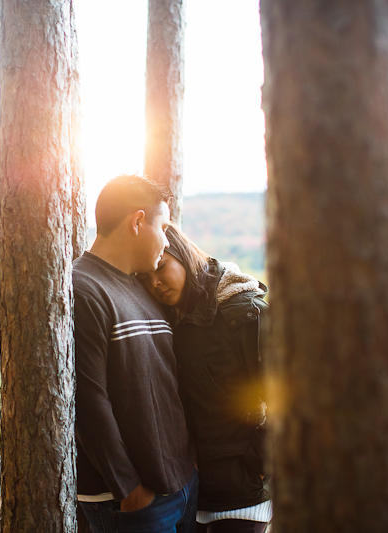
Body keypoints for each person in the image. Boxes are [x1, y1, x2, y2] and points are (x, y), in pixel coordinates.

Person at [74, 175, 198, 533]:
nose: (167, 239)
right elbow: (88, 400)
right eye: (163, 226)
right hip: (132, 503)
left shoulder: (142, 288)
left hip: (182, 486)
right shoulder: (84, 288)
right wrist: (128, 489)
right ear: (138, 221)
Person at [137, 225, 271, 533]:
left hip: (245, 489)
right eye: (145, 279)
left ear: (182, 254)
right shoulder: (175, 318)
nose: (155, 283)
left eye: (160, 268)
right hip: (197, 489)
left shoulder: (244, 312)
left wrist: (260, 464)